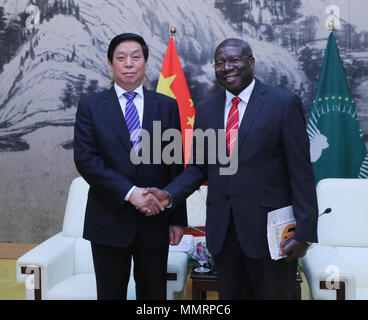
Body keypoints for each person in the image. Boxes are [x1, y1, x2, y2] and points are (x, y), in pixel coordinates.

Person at [145, 38, 318, 299]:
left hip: (270, 237)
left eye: (234, 60)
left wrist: (304, 234)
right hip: (223, 236)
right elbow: (198, 168)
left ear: (251, 62)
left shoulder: (282, 104)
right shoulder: (207, 110)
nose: (227, 67)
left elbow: (301, 172)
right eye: (220, 62)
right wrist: (168, 195)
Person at [73, 33, 187, 300]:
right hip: (108, 221)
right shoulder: (91, 106)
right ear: (110, 64)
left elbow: (175, 164)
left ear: (145, 63)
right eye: (121, 58)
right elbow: (87, 160)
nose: (128, 63)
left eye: (135, 57)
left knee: (154, 297)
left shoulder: (167, 106)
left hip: (155, 221)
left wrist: (177, 218)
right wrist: (130, 193)